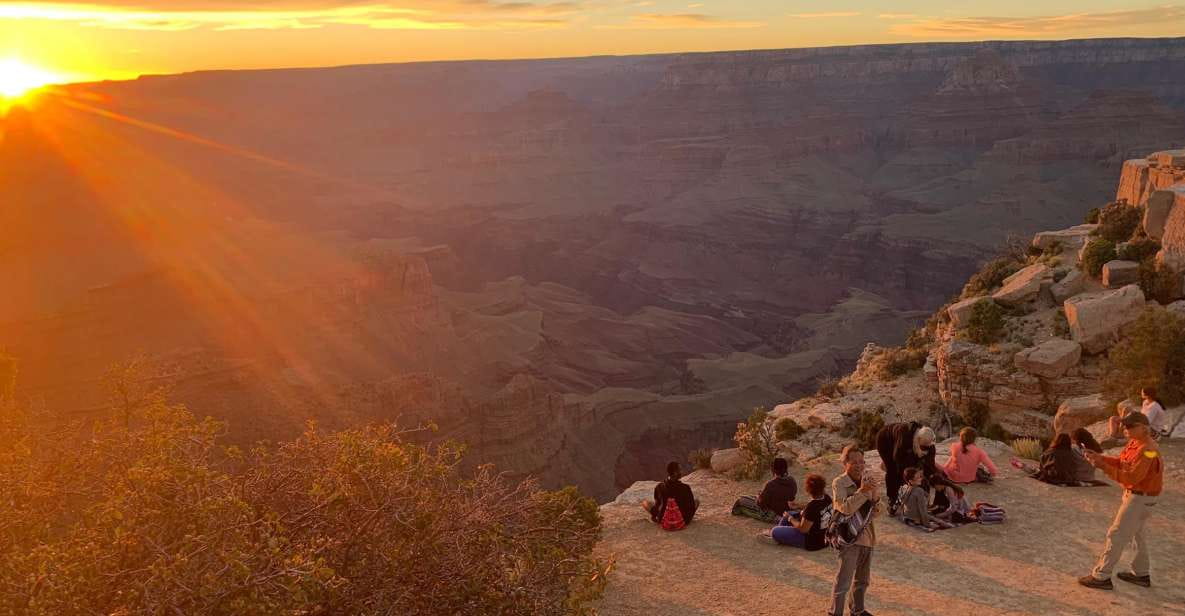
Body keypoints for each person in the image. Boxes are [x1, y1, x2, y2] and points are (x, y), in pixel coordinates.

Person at [1078, 412, 1164, 590]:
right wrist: (1101, 458)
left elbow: (1133, 477)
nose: (1125, 429)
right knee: (1136, 535)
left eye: (1130, 426)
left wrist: (1102, 466)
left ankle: (1101, 576)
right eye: (1124, 426)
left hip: (1140, 498)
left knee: (1116, 535)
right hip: (1139, 497)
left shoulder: (1148, 450)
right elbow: (1123, 462)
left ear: (1143, 427)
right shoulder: (1135, 443)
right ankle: (1141, 574)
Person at [829, 444, 881, 616]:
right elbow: (844, 508)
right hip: (849, 538)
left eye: (861, 461)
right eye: (854, 462)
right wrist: (862, 492)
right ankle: (834, 613)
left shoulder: (867, 480)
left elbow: (879, 509)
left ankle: (857, 611)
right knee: (843, 582)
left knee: (862, 581)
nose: (859, 465)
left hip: (867, 536)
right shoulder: (839, 483)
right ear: (845, 463)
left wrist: (874, 496)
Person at [875, 421, 938, 510]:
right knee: (893, 469)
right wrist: (908, 482)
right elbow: (899, 461)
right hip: (885, 440)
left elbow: (930, 465)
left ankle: (919, 500)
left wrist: (933, 479)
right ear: (918, 440)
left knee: (917, 468)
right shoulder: (905, 438)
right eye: (923, 447)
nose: (926, 449)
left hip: (906, 445)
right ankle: (892, 499)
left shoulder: (929, 443)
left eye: (928, 447)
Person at [768, 473, 831, 550]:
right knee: (790, 513)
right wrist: (798, 506)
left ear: (808, 490)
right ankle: (780, 534)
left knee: (775, 531)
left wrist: (790, 518)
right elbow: (816, 510)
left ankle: (776, 536)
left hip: (811, 542)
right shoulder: (827, 498)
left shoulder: (812, 507)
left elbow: (803, 529)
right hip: (823, 537)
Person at [732, 457, 798, 522]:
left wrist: (759, 496)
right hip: (786, 509)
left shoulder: (771, 484)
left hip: (772, 512)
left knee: (741, 500)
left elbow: (761, 504)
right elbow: (792, 497)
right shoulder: (792, 480)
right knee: (751, 497)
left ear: (773, 470)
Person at [641, 461, 698, 526]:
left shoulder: (659, 487)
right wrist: (687, 519)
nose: (682, 472)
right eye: (680, 470)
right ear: (675, 473)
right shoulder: (686, 488)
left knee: (645, 502)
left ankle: (659, 518)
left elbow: (658, 505)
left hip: (664, 521)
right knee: (696, 501)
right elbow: (691, 507)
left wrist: (655, 516)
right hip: (682, 521)